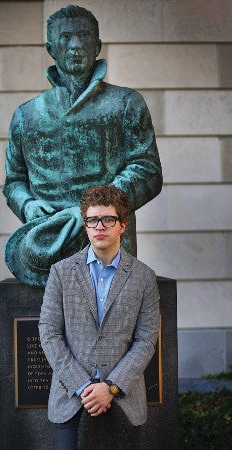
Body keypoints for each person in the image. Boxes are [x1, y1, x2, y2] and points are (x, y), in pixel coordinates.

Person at [3, 5, 162, 287]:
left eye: (84, 36)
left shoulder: (126, 103)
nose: (75, 45)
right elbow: (14, 180)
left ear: (97, 45)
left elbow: (147, 171)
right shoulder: (26, 115)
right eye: (66, 38)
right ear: (51, 48)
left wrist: (92, 211)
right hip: (47, 243)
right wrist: (28, 206)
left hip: (108, 243)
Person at [39, 184, 160, 449]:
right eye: (92, 220)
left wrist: (112, 387)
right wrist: (82, 385)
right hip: (71, 400)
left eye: (108, 219)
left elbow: (146, 339)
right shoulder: (61, 273)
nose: (99, 226)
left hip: (123, 401)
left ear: (122, 225)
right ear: (85, 225)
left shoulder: (144, 277)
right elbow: (49, 334)